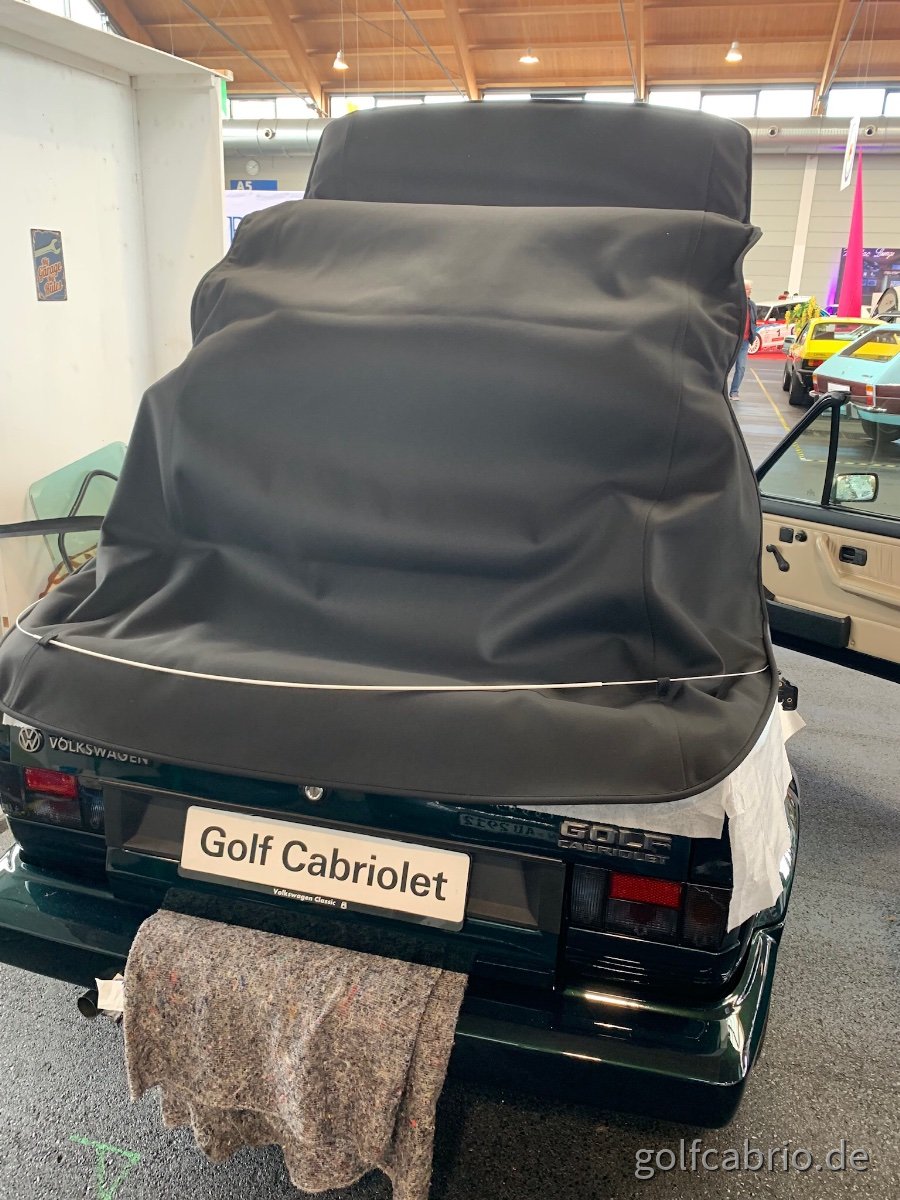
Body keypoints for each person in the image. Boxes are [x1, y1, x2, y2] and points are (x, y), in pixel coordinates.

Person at [729, 281, 758, 401]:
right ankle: (718, 390)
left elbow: (754, 321)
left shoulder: (752, 305)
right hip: (732, 341)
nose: (750, 291)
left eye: (750, 289)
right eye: (748, 289)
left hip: (745, 342)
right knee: (725, 367)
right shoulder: (734, 304)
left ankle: (734, 392)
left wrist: (753, 335)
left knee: (741, 367)